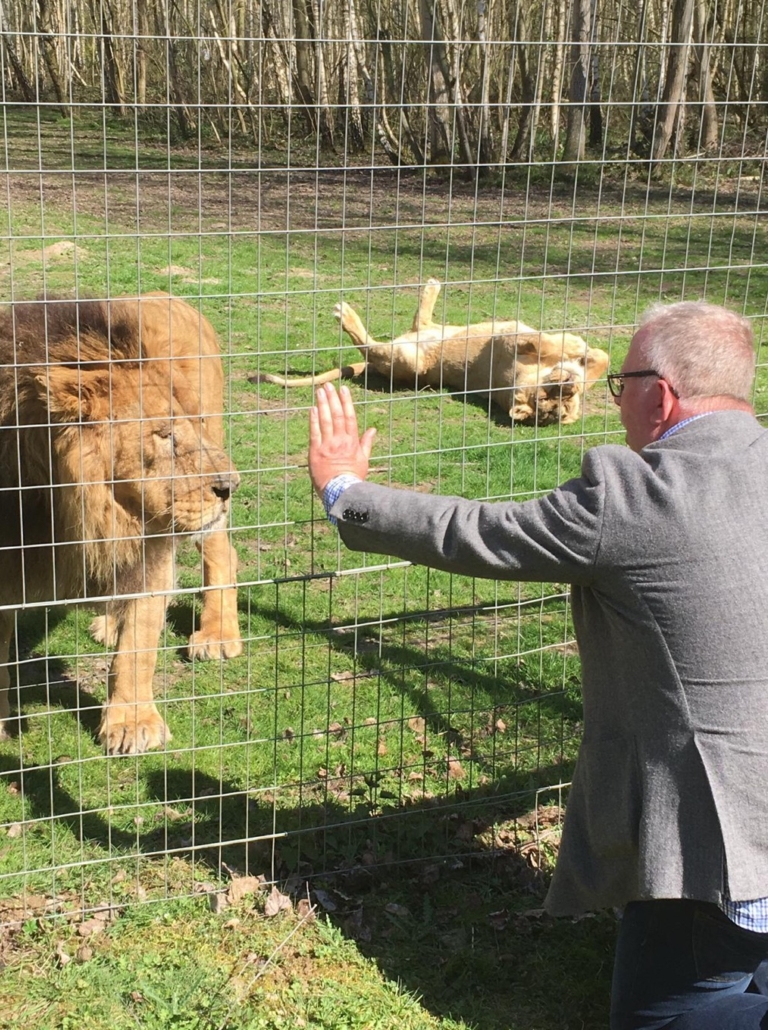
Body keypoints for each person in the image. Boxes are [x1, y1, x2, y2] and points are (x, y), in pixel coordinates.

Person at [307, 300, 768, 1030]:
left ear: (660, 395)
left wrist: (345, 491)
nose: (614, 400)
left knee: (667, 1020)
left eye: (621, 384)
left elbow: (475, 533)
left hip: (724, 845)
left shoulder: (634, 497)